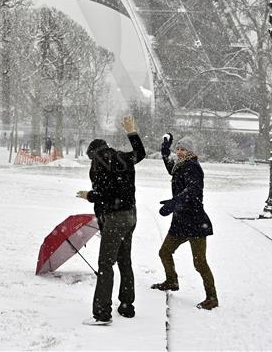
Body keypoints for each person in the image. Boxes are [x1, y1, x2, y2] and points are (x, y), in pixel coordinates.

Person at [76, 115, 146, 326]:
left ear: (92, 153)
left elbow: (105, 193)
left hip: (115, 218)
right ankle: (126, 306)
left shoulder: (99, 161)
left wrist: (89, 195)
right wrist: (132, 131)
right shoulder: (121, 156)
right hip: (131, 215)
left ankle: (102, 313)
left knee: (106, 263)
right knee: (125, 261)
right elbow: (140, 154)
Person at [152, 132, 218, 310]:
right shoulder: (180, 165)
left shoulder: (193, 167)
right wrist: (165, 150)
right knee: (164, 252)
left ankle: (212, 297)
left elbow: (193, 191)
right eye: (178, 149)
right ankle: (172, 281)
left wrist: (174, 202)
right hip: (180, 221)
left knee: (199, 263)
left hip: (195, 222)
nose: (179, 152)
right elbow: (170, 167)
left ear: (190, 152)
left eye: (183, 149)